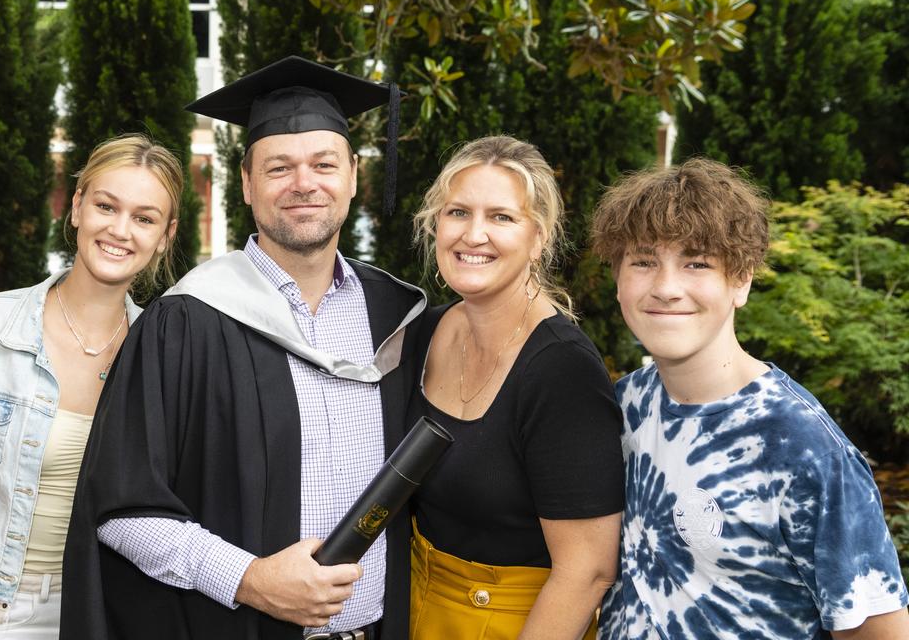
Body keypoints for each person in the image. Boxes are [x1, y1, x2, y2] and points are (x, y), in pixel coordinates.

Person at [61, 56, 427, 640]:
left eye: (323, 164)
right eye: (279, 167)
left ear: (354, 175)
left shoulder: (400, 319)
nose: (304, 183)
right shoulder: (187, 321)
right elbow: (121, 508)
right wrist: (250, 578)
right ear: (248, 184)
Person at [590, 158, 909, 639]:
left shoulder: (802, 447)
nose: (666, 287)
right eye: (643, 261)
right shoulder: (622, 406)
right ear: (617, 279)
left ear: (742, 280)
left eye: (697, 262)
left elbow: (878, 631)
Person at [0, 134, 182, 638]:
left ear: (165, 235)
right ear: (77, 206)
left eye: (144, 218)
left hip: (111, 616)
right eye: (106, 206)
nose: (120, 230)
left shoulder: (163, 356)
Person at [403, 136, 623, 639]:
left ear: (539, 237)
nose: (473, 234)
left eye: (501, 217)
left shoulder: (562, 371)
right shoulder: (426, 333)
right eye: (458, 212)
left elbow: (588, 571)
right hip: (418, 609)